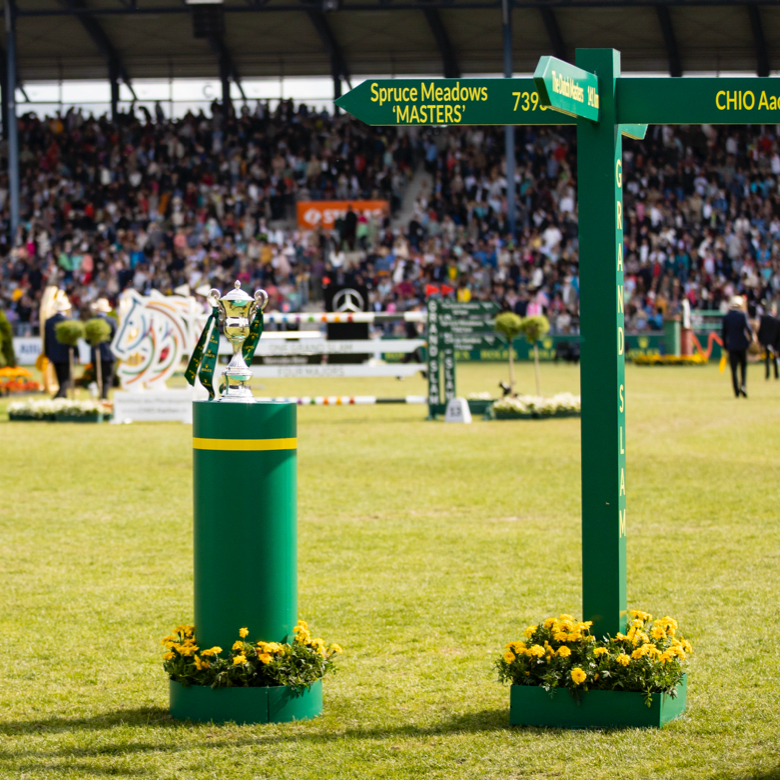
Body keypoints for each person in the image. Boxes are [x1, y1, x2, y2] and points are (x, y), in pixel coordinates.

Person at [722, 295, 753, 398]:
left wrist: (725, 346)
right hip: (742, 345)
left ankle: (736, 391)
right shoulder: (743, 315)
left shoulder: (727, 317)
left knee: (734, 369)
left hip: (732, 346)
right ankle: (743, 386)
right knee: (743, 367)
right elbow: (748, 329)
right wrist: (751, 341)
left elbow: (724, 334)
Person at [44, 295, 73, 398]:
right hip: (66, 353)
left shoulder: (49, 321)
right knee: (66, 378)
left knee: (60, 376)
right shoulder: (68, 321)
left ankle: (63, 396)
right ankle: (58, 396)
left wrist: (47, 354)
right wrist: (77, 354)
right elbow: (72, 340)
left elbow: (46, 340)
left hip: (54, 353)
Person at [90, 298, 117, 399]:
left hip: (95, 353)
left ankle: (102, 395)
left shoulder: (92, 321)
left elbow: (87, 339)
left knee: (98, 376)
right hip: (108, 353)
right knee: (107, 377)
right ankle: (104, 395)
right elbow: (115, 337)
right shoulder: (111, 321)